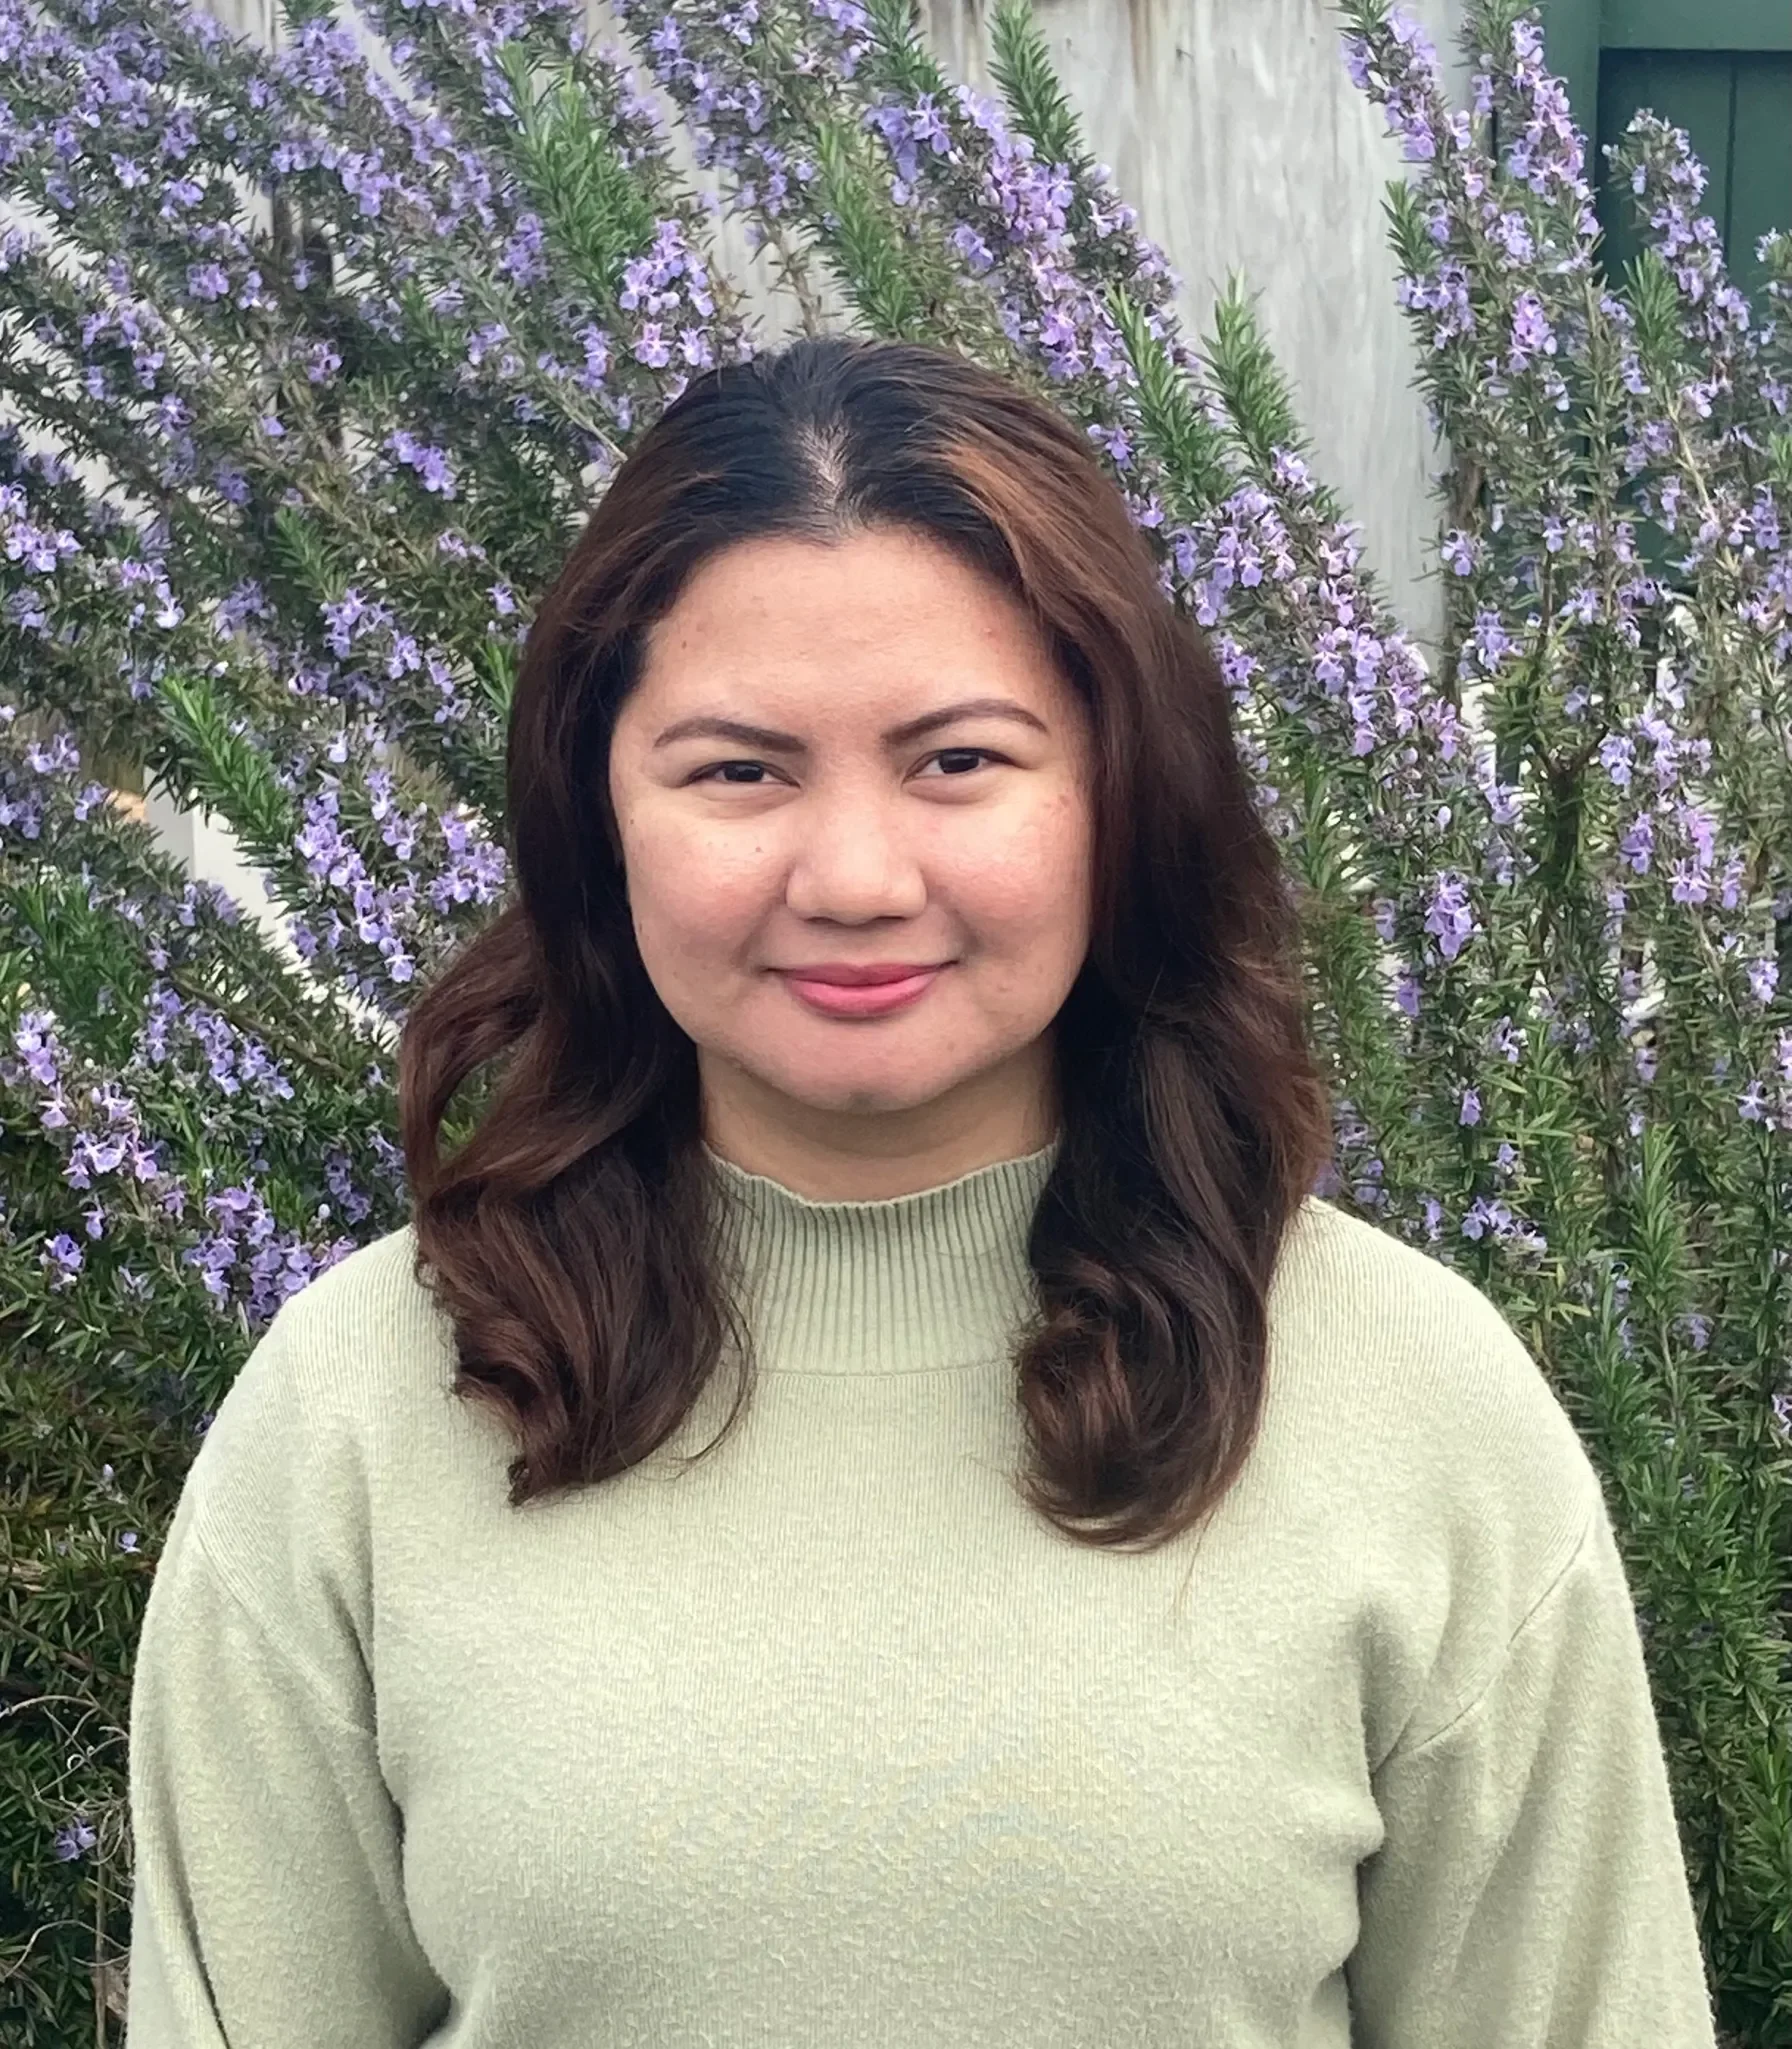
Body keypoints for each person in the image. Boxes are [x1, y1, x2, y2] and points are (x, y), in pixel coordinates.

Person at [124, 337, 1718, 2047]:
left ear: (1125, 794)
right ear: (597, 815)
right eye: (738, 769)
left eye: (960, 760)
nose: (858, 878)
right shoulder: (361, 1413)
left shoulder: (1411, 1405)